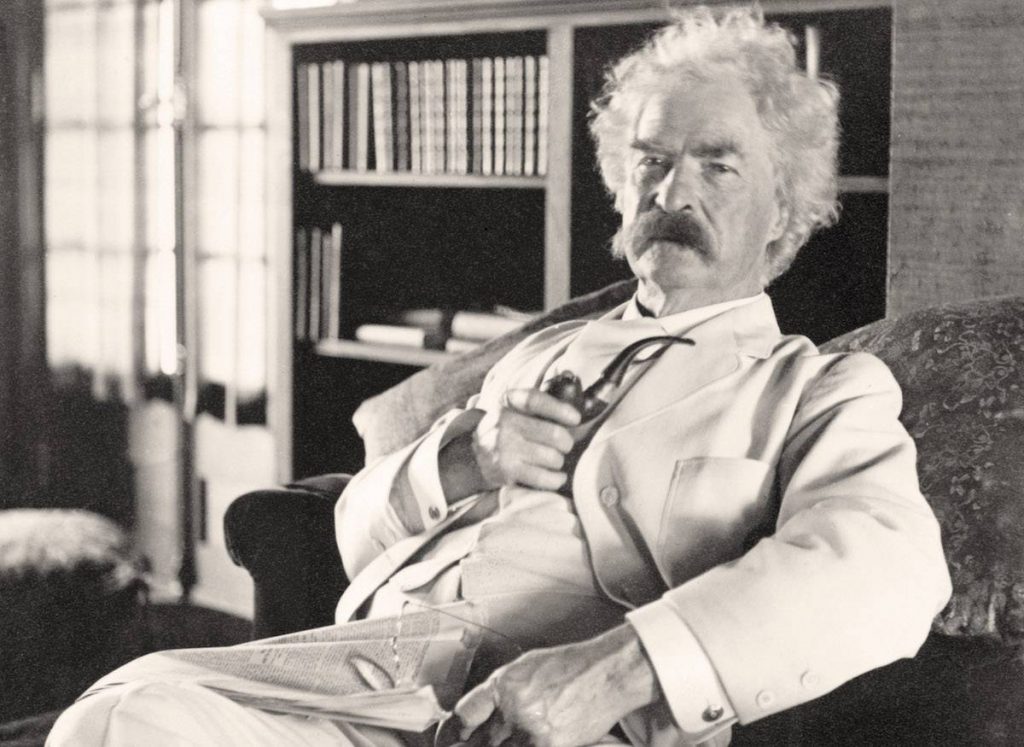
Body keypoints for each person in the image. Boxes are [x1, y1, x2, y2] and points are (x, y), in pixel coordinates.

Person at [49, 6, 951, 746]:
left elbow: (886, 565)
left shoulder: (813, 389)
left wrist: (614, 671)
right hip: (366, 679)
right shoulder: (535, 356)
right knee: (123, 713)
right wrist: (464, 459)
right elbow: (355, 538)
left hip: (545, 715)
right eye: (651, 161)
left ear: (784, 212)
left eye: (718, 165)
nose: (672, 193)